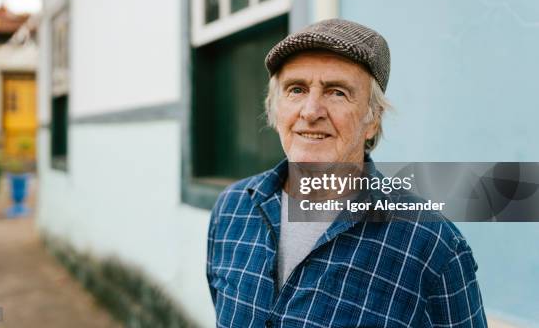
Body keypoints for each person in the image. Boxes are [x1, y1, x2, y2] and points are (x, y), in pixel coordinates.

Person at [206, 19, 487, 327]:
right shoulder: (232, 209)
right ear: (276, 109)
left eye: (337, 92)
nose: (311, 112)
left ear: (373, 120)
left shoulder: (432, 247)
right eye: (296, 89)